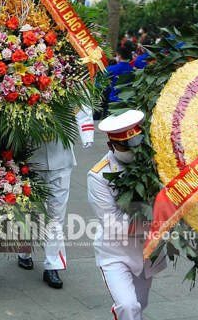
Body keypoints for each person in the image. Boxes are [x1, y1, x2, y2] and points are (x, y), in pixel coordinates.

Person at [89, 109, 165, 320]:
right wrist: (156, 220)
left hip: (146, 253)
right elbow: (112, 223)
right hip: (115, 254)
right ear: (110, 145)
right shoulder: (98, 176)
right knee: (129, 306)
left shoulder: (153, 162)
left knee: (140, 305)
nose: (132, 150)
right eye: (125, 145)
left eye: (135, 142)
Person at [17, 105, 95, 288]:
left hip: (60, 155)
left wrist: (87, 134)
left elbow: (80, 102)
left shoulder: (68, 77)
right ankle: (24, 249)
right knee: (29, 209)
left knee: (56, 215)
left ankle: (53, 264)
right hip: (31, 155)